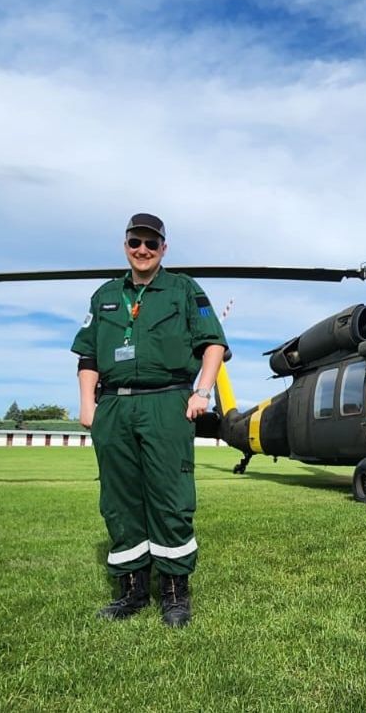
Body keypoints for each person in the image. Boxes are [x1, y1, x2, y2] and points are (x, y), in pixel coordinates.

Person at [73, 213, 227, 628]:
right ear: (125, 245)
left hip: (166, 402)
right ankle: (132, 591)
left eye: (151, 243)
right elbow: (88, 357)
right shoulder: (105, 295)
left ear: (164, 247)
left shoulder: (183, 289)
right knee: (119, 500)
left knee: (170, 495)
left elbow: (212, 343)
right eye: (135, 242)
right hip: (115, 406)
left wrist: (202, 392)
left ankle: (175, 594)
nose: (142, 250)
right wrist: (88, 405)